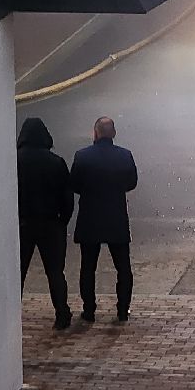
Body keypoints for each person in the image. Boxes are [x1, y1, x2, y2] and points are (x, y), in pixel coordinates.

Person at [71, 116, 138, 323]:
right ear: (114, 134)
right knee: (123, 267)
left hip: (90, 217)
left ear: (95, 133)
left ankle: (89, 310)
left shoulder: (82, 156)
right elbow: (132, 183)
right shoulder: (125, 156)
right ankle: (122, 309)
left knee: (88, 267)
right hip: (116, 217)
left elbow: (74, 184)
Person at [16, 116, 74, 330]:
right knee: (55, 272)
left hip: (22, 225)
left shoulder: (14, 161)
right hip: (50, 224)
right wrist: (62, 221)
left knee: (18, 273)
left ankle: (13, 315)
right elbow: (67, 197)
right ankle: (62, 313)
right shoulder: (56, 162)